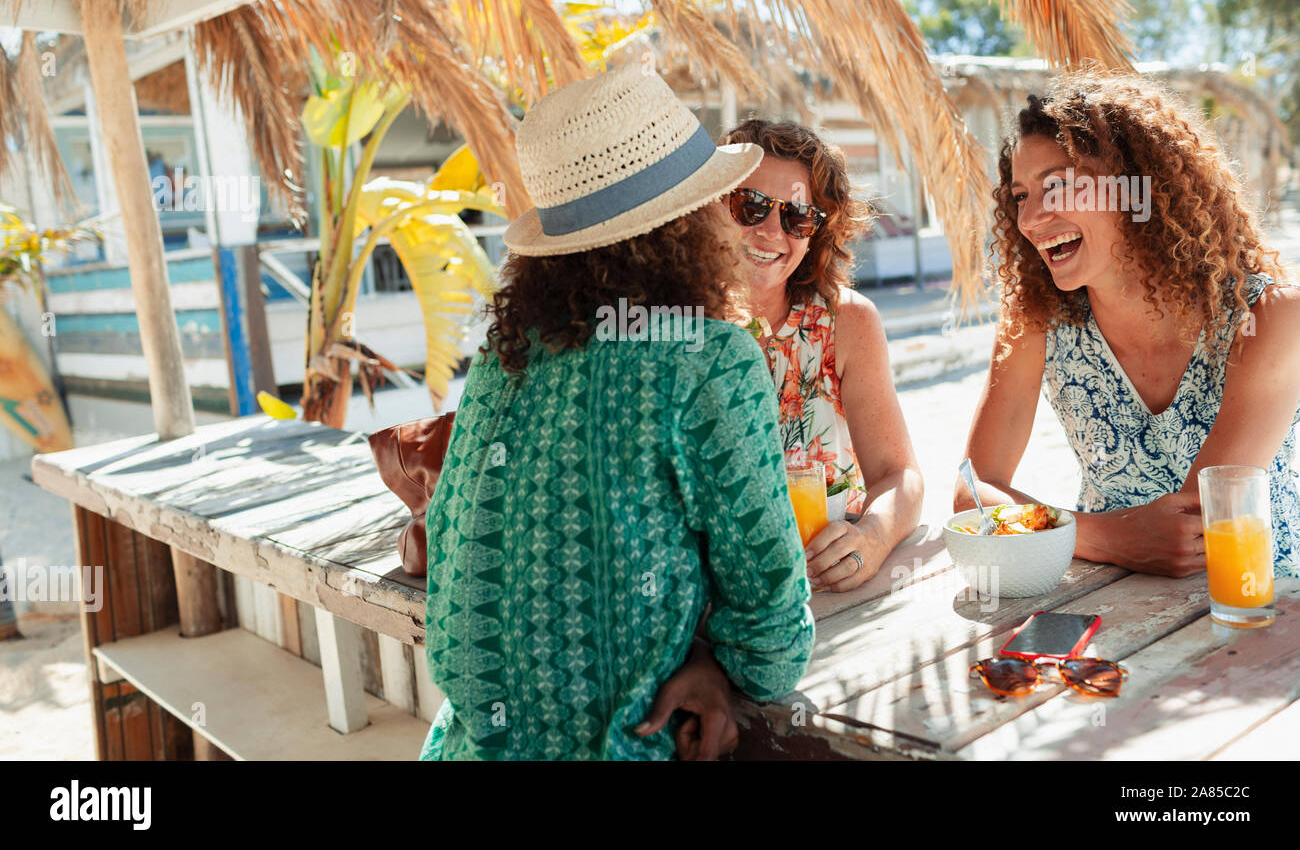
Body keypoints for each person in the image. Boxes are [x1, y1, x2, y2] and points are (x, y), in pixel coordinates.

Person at [419, 64, 814, 761]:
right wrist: (726, 668)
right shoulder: (704, 359)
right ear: (688, 222)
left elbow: (453, 562)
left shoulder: (500, 362)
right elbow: (773, 630)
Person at [956, 72, 1300, 579]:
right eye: (1021, 195)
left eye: (1058, 185)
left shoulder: (1271, 315)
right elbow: (973, 492)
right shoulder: (1036, 318)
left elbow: (1199, 526)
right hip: (1107, 601)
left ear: (1139, 186)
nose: (1029, 219)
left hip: (1259, 607)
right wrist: (1103, 536)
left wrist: (1061, 530)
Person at [716, 120, 925, 592]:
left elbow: (901, 476)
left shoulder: (847, 322)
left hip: (829, 587)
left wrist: (874, 535)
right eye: (750, 207)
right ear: (712, 209)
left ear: (816, 234)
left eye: (797, 217)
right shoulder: (675, 330)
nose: (772, 231)